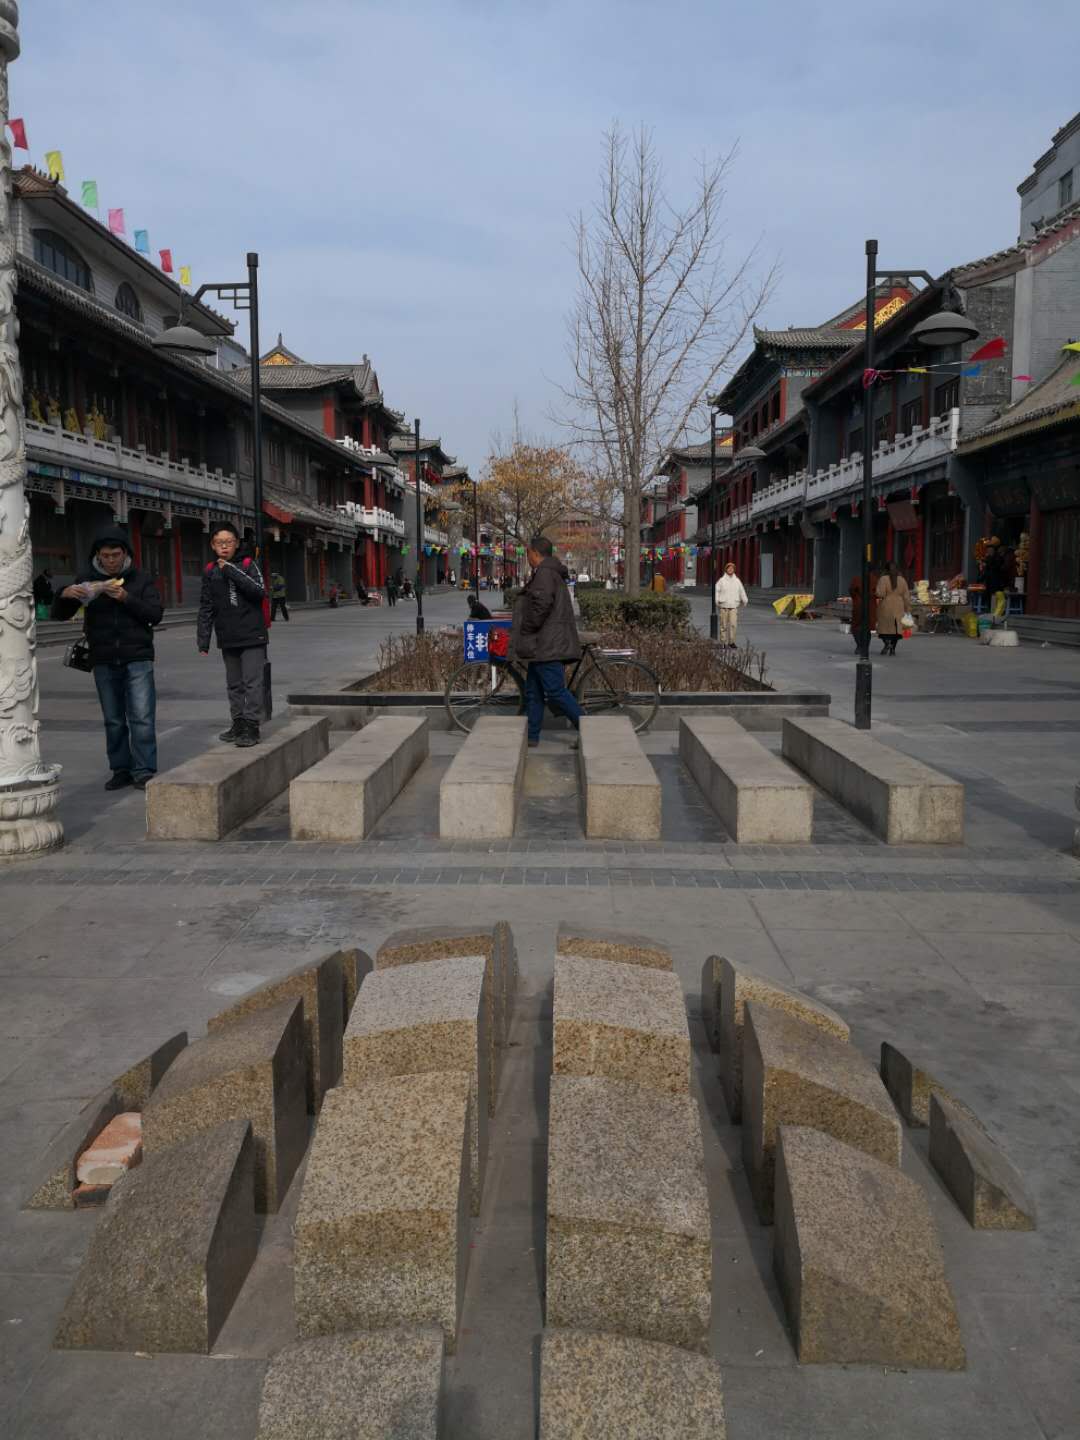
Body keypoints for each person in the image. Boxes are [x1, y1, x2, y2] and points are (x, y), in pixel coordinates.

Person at [51, 526, 163, 790]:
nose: (111, 560)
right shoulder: (87, 580)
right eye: (105, 555)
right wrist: (65, 593)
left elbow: (155, 614)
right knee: (113, 719)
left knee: (142, 717)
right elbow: (60, 614)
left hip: (137, 657)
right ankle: (120, 768)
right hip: (103, 658)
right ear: (97, 556)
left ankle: (144, 769)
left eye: (115, 554)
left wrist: (126, 597)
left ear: (125, 553)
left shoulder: (141, 579)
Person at [197, 522, 267, 747]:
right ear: (212, 545)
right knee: (234, 683)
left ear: (236, 543)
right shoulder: (210, 571)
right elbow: (206, 605)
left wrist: (231, 570)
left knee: (252, 682)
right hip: (228, 636)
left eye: (228, 542)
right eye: (219, 543)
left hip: (252, 634)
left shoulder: (248, 564)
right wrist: (203, 638)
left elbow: (259, 592)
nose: (224, 547)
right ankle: (238, 722)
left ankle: (252, 726)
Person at [510, 535, 583, 749]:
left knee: (555, 691)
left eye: (528, 554)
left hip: (547, 644)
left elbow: (540, 606)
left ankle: (589, 728)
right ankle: (532, 736)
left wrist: (526, 627)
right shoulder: (548, 572)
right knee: (533, 691)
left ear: (535, 553)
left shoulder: (544, 574)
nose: (527, 558)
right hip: (542, 644)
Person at [875, 561, 911, 656]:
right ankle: (893, 649)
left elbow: (880, 593)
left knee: (884, 629)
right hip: (899, 606)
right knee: (896, 630)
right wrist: (907, 608)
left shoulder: (883, 579)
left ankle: (887, 644)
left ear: (886, 569)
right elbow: (906, 596)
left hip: (886, 606)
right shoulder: (902, 580)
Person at [714, 561, 749, 646]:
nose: (730, 569)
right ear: (726, 569)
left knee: (733, 625)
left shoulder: (737, 581)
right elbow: (717, 591)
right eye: (729, 568)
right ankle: (723, 642)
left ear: (734, 570)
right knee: (723, 625)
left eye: (732, 568)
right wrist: (717, 600)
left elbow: (741, 591)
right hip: (724, 605)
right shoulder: (721, 581)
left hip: (734, 606)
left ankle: (731, 642)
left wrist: (745, 600)